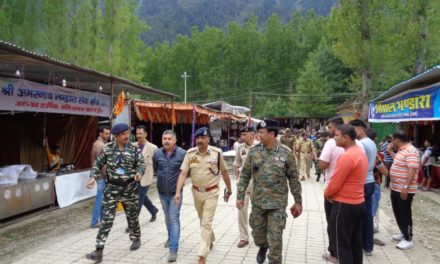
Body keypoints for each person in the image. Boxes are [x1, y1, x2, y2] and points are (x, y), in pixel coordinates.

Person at [237, 119, 302, 264]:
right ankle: (263, 245)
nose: (257, 135)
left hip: (277, 205)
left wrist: (298, 201)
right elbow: (245, 175)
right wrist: (240, 196)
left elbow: (293, 179)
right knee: (258, 234)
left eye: (261, 132)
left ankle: (273, 259)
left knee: (276, 239)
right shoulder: (254, 152)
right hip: (258, 203)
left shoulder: (286, 153)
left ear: (272, 134)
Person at [85, 123, 145, 263]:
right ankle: (99, 250)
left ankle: (136, 238)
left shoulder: (134, 149)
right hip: (112, 189)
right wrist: (93, 177)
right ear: (116, 136)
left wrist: (139, 173)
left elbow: (141, 164)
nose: (126, 136)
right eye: (123, 134)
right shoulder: (107, 149)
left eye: (127, 133)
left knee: (132, 217)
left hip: (129, 189)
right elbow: (98, 164)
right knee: (106, 219)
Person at [174, 127, 232, 264]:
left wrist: (229, 190)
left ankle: (202, 255)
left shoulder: (216, 154)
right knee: (202, 220)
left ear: (208, 139)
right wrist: (177, 192)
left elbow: (224, 173)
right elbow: (183, 173)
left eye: (203, 138)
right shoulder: (190, 154)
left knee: (206, 222)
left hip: (212, 192)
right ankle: (210, 239)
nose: (199, 140)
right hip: (196, 192)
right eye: (197, 138)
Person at [324, 124, 368, 264]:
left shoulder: (347, 156)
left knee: (341, 244)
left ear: (346, 138)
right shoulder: (360, 152)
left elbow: (335, 182)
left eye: (337, 135)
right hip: (358, 202)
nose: (334, 138)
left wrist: (327, 193)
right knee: (355, 242)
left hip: (344, 205)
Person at [153, 130, 186, 262]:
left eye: (169, 139)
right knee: (167, 218)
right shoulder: (157, 154)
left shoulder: (182, 154)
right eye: (164, 139)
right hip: (162, 193)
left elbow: (185, 173)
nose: (166, 141)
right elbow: (156, 170)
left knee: (173, 219)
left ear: (175, 140)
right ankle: (170, 237)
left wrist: (179, 189)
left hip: (175, 194)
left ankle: (173, 249)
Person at [387, 130, 420, 250]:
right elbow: (400, 161)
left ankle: (408, 238)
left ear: (397, 140)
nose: (391, 142)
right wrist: (390, 152)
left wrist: (405, 187)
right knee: (398, 212)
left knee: (405, 213)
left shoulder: (411, 151)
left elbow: (412, 169)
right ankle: (403, 232)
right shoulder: (402, 150)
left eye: (392, 140)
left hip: (404, 189)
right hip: (396, 188)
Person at [319, 117, 345, 263]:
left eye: (330, 128)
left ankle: (334, 253)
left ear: (337, 127)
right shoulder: (357, 144)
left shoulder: (331, 143)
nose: (328, 131)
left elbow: (322, 165)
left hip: (332, 189)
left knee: (332, 223)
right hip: (349, 192)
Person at [349, 119, 376, 256]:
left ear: (360, 130)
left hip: (363, 182)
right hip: (370, 181)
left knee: (358, 216)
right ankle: (368, 246)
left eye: (353, 130)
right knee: (367, 216)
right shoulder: (371, 142)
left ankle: (359, 245)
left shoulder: (361, 144)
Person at [233, 126, 259, 248]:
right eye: (241, 135)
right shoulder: (240, 147)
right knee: (241, 210)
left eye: (244, 134)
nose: (242, 137)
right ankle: (243, 237)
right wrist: (237, 179)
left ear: (251, 135)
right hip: (244, 182)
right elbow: (236, 164)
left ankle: (258, 234)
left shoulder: (260, 146)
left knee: (257, 210)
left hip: (257, 182)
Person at [134, 125, 159, 223]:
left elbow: (157, 163)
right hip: (134, 178)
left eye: (141, 133)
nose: (138, 135)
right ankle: (153, 210)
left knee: (138, 200)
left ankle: (133, 223)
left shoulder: (153, 148)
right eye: (137, 133)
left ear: (145, 134)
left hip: (146, 178)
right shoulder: (132, 146)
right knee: (143, 197)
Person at [90, 125, 111, 228]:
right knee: (99, 198)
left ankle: (103, 219)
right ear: (100, 133)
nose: (108, 135)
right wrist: (107, 175)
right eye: (106, 133)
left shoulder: (102, 143)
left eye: (108, 133)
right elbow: (101, 163)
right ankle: (94, 221)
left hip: (101, 175)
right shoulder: (99, 145)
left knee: (103, 198)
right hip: (101, 175)